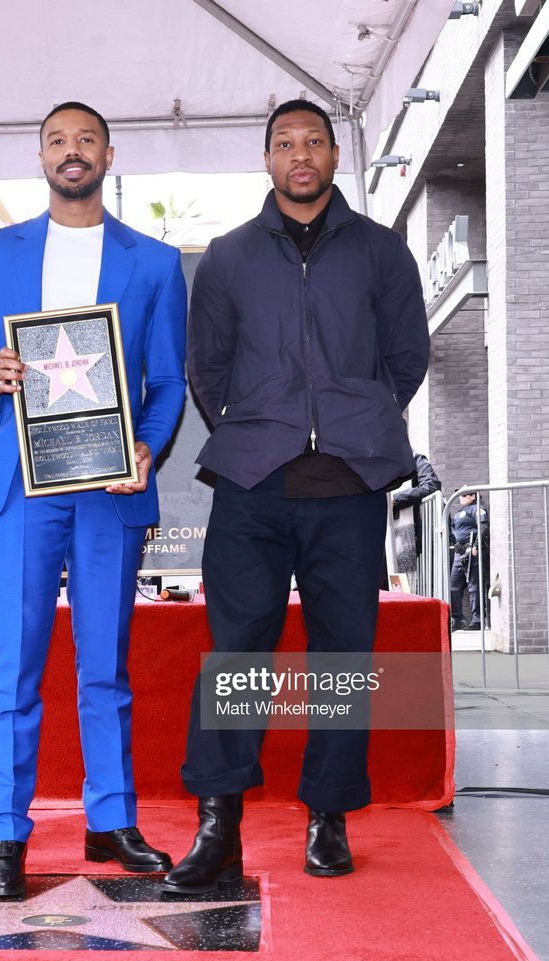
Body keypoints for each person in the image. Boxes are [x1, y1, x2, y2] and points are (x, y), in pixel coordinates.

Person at [164, 99, 430, 893]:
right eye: (285, 143)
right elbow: (205, 370)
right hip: (253, 486)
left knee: (343, 660)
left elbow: (407, 357)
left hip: (350, 484)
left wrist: (355, 421)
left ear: (336, 157)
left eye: (314, 141)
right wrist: (258, 429)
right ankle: (220, 827)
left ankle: (328, 818)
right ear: (268, 159)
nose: (300, 155)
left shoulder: (383, 254)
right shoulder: (228, 257)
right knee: (238, 658)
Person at [0, 101, 187, 897]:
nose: (72, 152)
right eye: (57, 140)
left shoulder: (153, 263)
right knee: (13, 663)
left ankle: (111, 820)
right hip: (22, 481)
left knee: (105, 664)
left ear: (109, 154)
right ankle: (5, 833)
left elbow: (169, 379)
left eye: (86, 140)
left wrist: (147, 444)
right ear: (40, 155)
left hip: (110, 484)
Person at [390, 452, 442, 592]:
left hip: (409, 538)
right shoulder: (375, 462)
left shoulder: (416, 460)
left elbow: (431, 486)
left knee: (409, 590)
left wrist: (396, 499)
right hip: (380, 536)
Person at [449, 490, 488, 631]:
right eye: (460, 495)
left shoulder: (477, 509)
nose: (461, 497)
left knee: (474, 586)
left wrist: (476, 545)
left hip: (472, 551)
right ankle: (457, 618)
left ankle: (477, 620)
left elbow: (483, 526)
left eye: (464, 495)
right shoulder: (461, 511)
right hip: (460, 553)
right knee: (454, 586)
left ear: (473, 496)